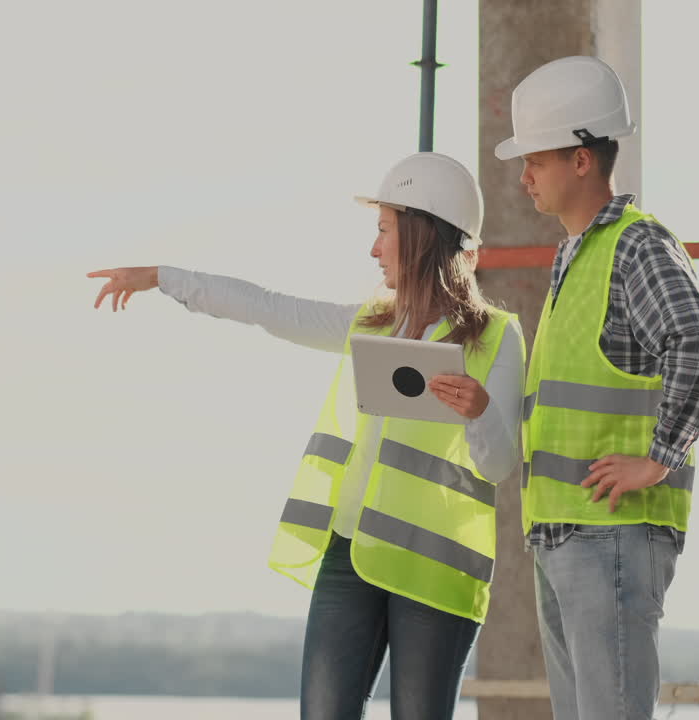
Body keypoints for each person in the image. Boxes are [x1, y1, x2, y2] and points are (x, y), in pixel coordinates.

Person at [86, 152, 524, 720]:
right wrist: (162, 278)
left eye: (384, 232)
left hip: (433, 570)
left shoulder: (498, 337)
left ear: (420, 235)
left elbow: (500, 466)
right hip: (351, 555)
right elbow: (267, 309)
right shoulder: (371, 322)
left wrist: (480, 411)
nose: (373, 249)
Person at [493, 56, 699, 719]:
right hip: (565, 534)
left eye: (535, 158)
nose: (524, 175)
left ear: (580, 159)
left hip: (612, 538)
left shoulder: (635, 246)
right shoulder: (578, 255)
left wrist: (659, 458)